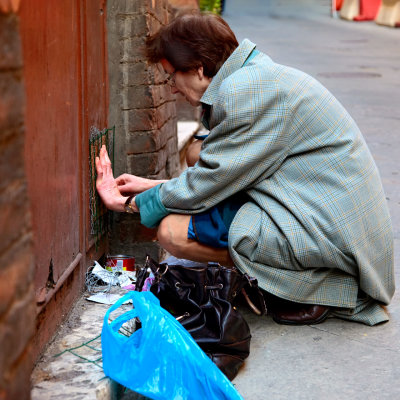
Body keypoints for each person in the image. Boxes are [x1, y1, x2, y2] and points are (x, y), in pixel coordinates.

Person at [96, 11, 394, 326]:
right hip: (322, 215)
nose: (171, 88)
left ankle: (319, 290)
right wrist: (150, 187)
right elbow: (223, 174)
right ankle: (291, 280)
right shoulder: (250, 77)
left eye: (171, 76)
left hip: (328, 233)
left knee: (173, 232)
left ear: (198, 68)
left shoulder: (245, 92)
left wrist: (128, 204)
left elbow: (208, 184)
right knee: (192, 202)